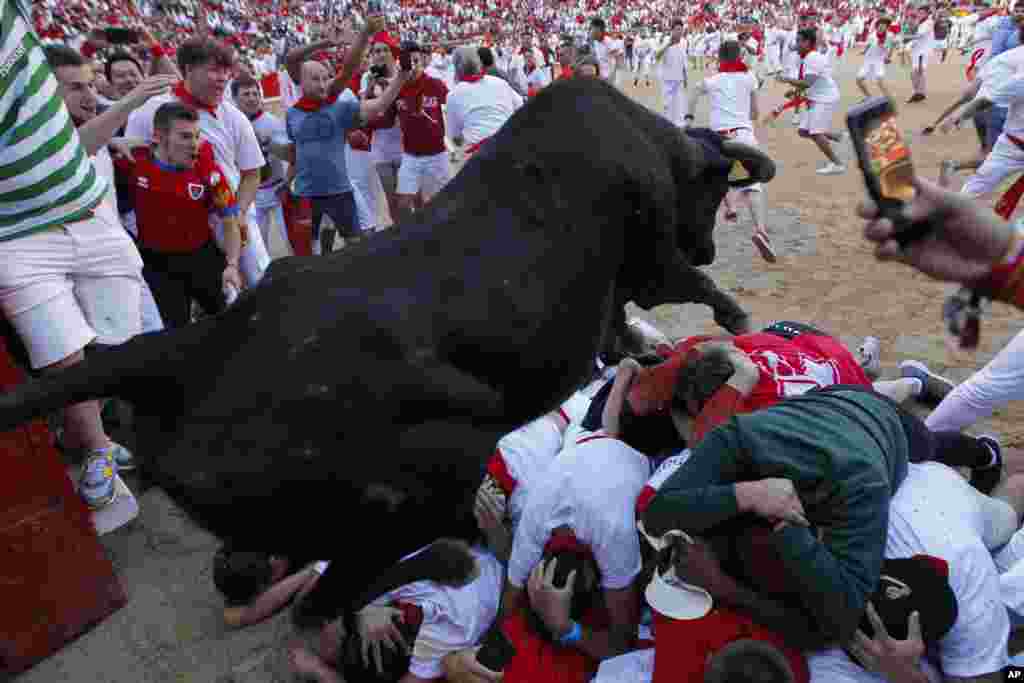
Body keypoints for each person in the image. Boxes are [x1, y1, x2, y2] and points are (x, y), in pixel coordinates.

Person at [0, 0, 144, 510]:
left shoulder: (13, 25)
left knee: (117, 339)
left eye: (90, 85)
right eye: (77, 87)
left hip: (92, 223)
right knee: (59, 349)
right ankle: (96, 448)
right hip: (13, 236)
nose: (89, 95)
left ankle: (81, 428)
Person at [125, 36, 271, 289]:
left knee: (261, 280)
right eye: (214, 70)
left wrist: (241, 213)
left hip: (229, 214)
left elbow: (251, 173)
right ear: (189, 69)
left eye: (226, 71)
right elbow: (131, 161)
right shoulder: (151, 111)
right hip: (178, 228)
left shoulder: (233, 115)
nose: (223, 78)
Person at [114, 102, 244, 328]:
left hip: (202, 257)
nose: (194, 145)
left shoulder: (208, 169)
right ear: (159, 136)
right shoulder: (133, 162)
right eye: (184, 137)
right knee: (174, 333)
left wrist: (232, 264)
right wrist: (111, 141)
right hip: (157, 264)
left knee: (232, 322)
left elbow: (230, 221)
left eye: (196, 136)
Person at [286, 17, 407, 254]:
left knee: (355, 244)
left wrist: (400, 76)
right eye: (316, 79)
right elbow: (295, 152)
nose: (323, 83)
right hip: (305, 194)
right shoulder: (292, 114)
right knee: (309, 251)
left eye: (325, 78)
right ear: (300, 81)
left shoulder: (337, 104)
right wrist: (325, 42)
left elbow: (377, 104)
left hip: (339, 190)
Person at [688, 40, 772, 261]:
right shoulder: (749, 78)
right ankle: (761, 230)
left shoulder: (713, 80)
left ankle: (728, 207)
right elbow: (754, 113)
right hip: (743, 133)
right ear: (739, 57)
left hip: (719, 138)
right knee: (753, 184)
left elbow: (695, 91)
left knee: (719, 178)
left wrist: (688, 117)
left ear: (719, 58)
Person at [776, 28, 846, 175]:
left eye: (799, 41)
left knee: (815, 133)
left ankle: (837, 163)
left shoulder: (812, 58)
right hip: (818, 96)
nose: (796, 44)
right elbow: (808, 83)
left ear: (807, 43)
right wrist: (795, 91)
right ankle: (836, 137)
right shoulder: (807, 57)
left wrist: (786, 79)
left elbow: (807, 83)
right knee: (803, 131)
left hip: (825, 98)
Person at [656, 20, 689, 128]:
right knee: (667, 107)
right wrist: (668, 44)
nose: (679, 32)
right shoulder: (665, 40)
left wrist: (685, 77)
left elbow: (683, 60)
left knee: (680, 106)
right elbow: (657, 56)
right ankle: (668, 128)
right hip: (667, 80)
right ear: (672, 30)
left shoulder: (684, 42)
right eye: (677, 29)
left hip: (679, 79)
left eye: (681, 29)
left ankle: (680, 128)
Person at [856, 16, 895, 101]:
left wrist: (888, 57)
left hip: (879, 61)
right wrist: (863, 51)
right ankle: (869, 97)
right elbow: (868, 44)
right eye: (880, 26)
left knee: (879, 80)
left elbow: (891, 47)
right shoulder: (872, 35)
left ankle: (888, 99)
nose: (881, 28)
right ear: (877, 26)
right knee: (858, 80)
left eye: (884, 26)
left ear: (887, 27)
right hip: (868, 60)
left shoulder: (890, 36)